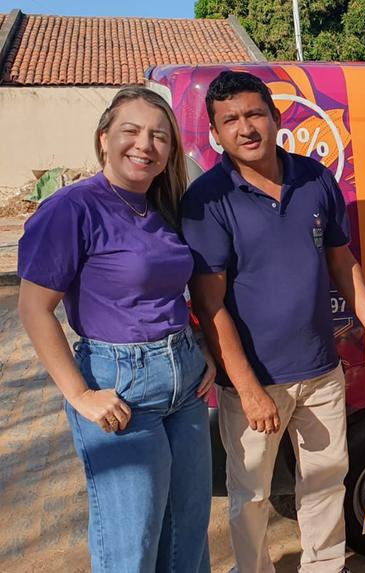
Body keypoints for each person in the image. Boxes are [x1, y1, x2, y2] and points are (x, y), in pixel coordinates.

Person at [181, 71, 365, 573]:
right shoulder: (207, 200)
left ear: (275, 117)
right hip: (255, 382)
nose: (245, 128)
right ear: (216, 134)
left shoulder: (314, 178)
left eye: (253, 114)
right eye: (230, 121)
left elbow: (341, 260)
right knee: (252, 497)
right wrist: (248, 389)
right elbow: (209, 303)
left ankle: (325, 566)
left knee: (326, 484)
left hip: (321, 371)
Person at [18, 87, 217, 573]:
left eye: (159, 136)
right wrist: (81, 394)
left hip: (185, 381)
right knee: (132, 544)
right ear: (104, 138)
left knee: (188, 533)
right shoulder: (72, 208)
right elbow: (33, 308)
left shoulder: (162, 207)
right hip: (120, 386)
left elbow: (175, 291)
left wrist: (203, 350)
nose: (144, 145)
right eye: (131, 131)